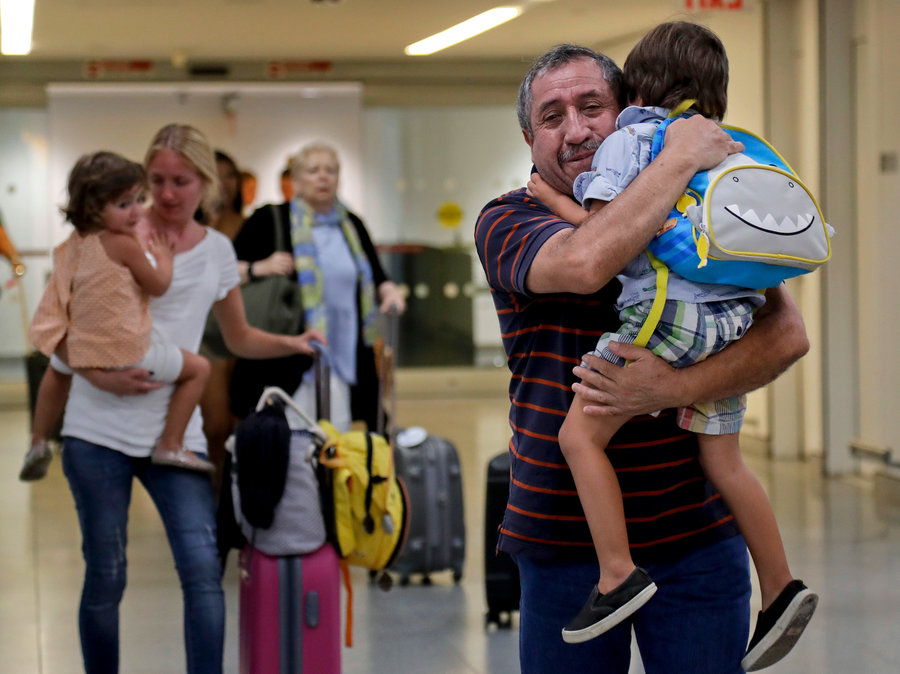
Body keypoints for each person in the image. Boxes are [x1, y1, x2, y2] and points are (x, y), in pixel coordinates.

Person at [474, 44, 809, 673]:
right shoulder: (508, 219)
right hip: (564, 544)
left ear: (626, 110)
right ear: (529, 137)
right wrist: (681, 155)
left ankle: (780, 586)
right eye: (552, 116)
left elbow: (786, 335)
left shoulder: (697, 202)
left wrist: (668, 389)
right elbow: (585, 260)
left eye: (591, 106)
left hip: (696, 540)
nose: (575, 129)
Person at [50, 124, 325, 674]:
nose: (168, 193)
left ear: (205, 183)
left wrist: (290, 342)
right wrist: (99, 375)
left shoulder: (220, 250)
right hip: (95, 428)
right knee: (106, 571)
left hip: (174, 433)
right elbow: (57, 323)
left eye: (181, 181)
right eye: (157, 180)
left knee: (203, 567)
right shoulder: (109, 236)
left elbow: (238, 336)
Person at [22, 151, 214, 479]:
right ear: (94, 208)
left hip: (81, 347)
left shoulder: (72, 245)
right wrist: (164, 259)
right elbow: (157, 286)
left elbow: (62, 299)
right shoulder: (123, 244)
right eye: (125, 204)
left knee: (56, 371)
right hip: (125, 351)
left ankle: (38, 439)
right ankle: (171, 443)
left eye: (139, 199)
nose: (138, 210)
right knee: (199, 369)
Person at [232, 141, 405, 431]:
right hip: (287, 358)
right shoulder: (270, 219)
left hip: (344, 353)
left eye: (331, 170)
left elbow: (377, 277)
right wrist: (259, 267)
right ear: (295, 180)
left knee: (337, 439)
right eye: (313, 170)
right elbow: (224, 270)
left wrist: (389, 292)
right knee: (289, 444)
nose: (323, 177)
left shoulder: (351, 225)